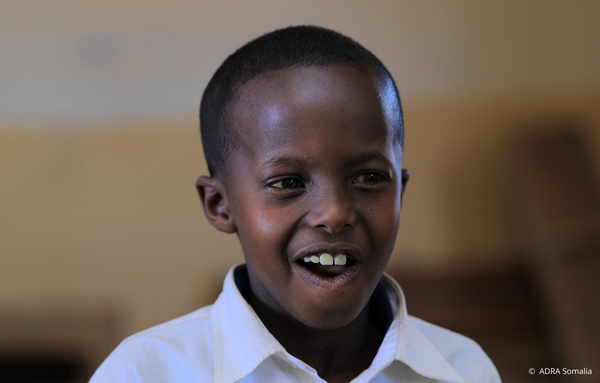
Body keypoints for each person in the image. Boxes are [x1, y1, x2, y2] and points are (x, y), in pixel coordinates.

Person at [90, 26, 501, 383]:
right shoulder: (145, 373)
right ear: (220, 205)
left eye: (369, 178)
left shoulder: (462, 370)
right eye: (287, 183)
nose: (335, 213)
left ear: (400, 193)